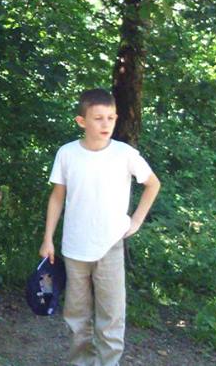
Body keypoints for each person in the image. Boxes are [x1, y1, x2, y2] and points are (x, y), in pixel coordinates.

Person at [39, 88, 162, 366]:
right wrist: (48, 238)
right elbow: (57, 197)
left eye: (111, 117)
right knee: (76, 317)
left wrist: (136, 221)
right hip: (74, 248)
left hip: (110, 246)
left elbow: (153, 184)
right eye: (98, 118)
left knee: (111, 318)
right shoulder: (67, 153)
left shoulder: (125, 154)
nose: (106, 124)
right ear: (81, 121)